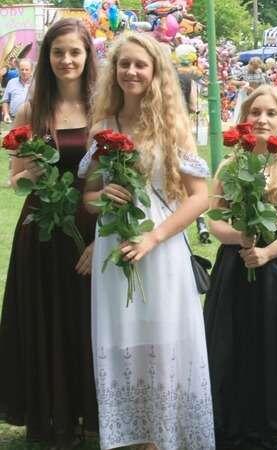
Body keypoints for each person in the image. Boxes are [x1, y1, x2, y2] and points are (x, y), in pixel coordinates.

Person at [79, 32, 214, 450]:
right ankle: (132, 438)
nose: (131, 71)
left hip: (161, 245)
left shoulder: (172, 127)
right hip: (114, 247)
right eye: (124, 64)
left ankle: (163, 436)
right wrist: (103, 196)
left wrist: (154, 237)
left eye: (140, 64)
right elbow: (88, 198)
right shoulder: (102, 128)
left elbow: (201, 198)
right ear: (113, 71)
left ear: (155, 71)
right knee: (121, 334)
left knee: (163, 333)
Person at [204, 84, 277, 450]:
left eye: (271, 113)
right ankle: (235, 423)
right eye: (255, 112)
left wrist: (268, 253)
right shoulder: (230, 166)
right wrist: (240, 238)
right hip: (236, 268)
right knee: (235, 344)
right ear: (243, 119)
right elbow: (214, 219)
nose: (262, 119)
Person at [0, 18, 98, 448]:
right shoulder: (32, 109)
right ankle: (53, 415)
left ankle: (90, 414)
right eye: (58, 52)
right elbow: (14, 177)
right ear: (47, 58)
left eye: (75, 52)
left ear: (88, 56)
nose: (66, 60)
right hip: (42, 227)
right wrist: (30, 175)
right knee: (48, 318)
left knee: (86, 318)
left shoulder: (103, 108)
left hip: (89, 225)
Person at [231, 56, 268, 123]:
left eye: (257, 68)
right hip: (244, 95)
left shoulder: (259, 71)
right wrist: (242, 83)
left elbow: (263, 84)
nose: (255, 69)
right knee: (242, 112)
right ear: (250, 64)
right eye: (254, 67)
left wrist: (257, 90)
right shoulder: (242, 70)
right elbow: (232, 81)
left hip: (255, 94)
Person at [2, 59, 33, 123]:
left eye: (26, 69)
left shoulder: (37, 83)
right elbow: (5, 101)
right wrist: (6, 114)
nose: (24, 72)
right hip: (14, 119)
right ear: (18, 70)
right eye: (22, 69)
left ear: (31, 71)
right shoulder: (11, 82)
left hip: (32, 121)